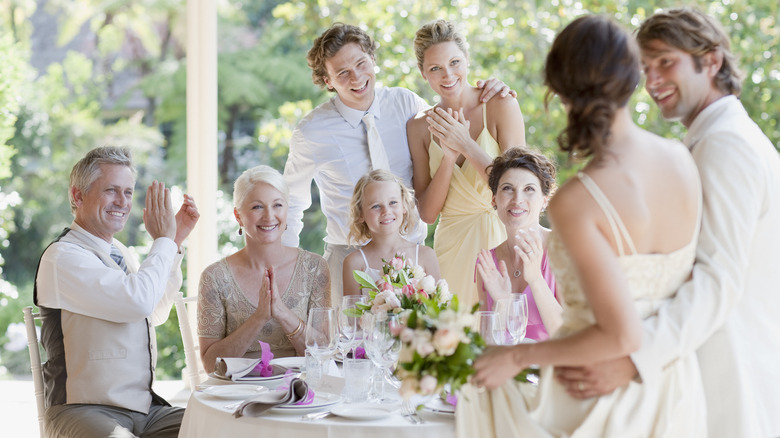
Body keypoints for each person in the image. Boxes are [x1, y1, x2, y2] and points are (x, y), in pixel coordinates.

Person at [457, 15, 706, 437]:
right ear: (633, 77)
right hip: (674, 386)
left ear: (561, 90)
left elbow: (621, 335)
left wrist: (514, 358)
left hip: (600, 401)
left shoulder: (580, 199)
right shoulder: (682, 159)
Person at [554, 8, 780, 438]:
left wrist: (633, 358)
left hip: (727, 375)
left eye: (665, 62)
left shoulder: (727, 146)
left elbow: (717, 278)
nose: (652, 80)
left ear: (711, 60)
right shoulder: (708, 141)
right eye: (644, 67)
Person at [283, 23, 514, 306]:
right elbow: (291, 204)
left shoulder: (405, 104)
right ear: (327, 80)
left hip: (413, 260)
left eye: (361, 63)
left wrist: (494, 86)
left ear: (373, 60)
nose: (356, 77)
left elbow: (452, 95)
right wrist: (284, 269)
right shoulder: (311, 132)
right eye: (342, 73)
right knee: (348, 346)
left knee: (421, 345)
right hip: (349, 260)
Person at [34, 146, 200, 438]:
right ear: (77, 195)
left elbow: (154, 311)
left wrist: (173, 241)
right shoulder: (62, 257)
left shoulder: (120, 252)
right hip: (82, 410)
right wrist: (162, 240)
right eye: (111, 190)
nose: (122, 202)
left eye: (128, 192)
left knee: (219, 427)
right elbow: (137, 301)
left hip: (144, 411)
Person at [407, 19, 526, 308]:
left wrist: (465, 144)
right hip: (451, 248)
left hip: (502, 237)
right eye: (435, 68)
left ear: (468, 60)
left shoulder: (501, 105)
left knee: (501, 333)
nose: (447, 75)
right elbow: (428, 214)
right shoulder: (419, 127)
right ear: (424, 73)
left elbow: (518, 187)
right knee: (454, 339)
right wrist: (448, 158)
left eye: (455, 62)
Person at [198, 165, 330, 371]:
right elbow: (209, 365)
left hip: (300, 390)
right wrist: (259, 317)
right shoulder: (214, 277)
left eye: (277, 205)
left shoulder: (314, 268)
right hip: (237, 394)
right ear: (238, 216)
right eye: (257, 207)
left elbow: (325, 351)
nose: (269, 216)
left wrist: (282, 313)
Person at [475, 148, 561, 341]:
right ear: (494, 199)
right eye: (507, 188)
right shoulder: (487, 263)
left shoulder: (563, 250)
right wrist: (504, 304)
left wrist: (536, 279)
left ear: (544, 200)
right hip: (508, 367)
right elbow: (486, 341)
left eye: (529, 189)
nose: (517, 200)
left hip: (554, 368)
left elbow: (572, 336)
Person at [342, 169, 440, 295]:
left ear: (404, 206)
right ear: (360, 214)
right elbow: (352, 313)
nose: (386, 211)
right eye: (376, 206)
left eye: (393, 203)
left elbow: (439, 310)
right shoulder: (354, 263)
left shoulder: (426, 256)